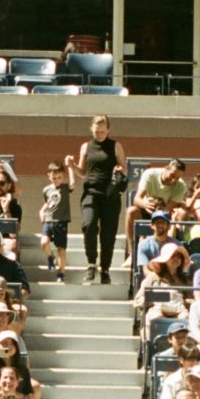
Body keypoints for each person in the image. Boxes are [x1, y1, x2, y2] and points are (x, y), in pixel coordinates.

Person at [76, 115, 127, 285]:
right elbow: (82, 172)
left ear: (108, 130)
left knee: (108, 234)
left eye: (102, 131)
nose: (99, 134)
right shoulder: (86, 146)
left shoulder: (115, 146)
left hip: (110, 195)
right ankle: (91, 263)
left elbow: (125, 169)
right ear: (91, 129)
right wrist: (71, 166)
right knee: (89, 225)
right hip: (91, 192)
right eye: (97, 131)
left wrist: (120, 170)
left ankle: (105, 269)